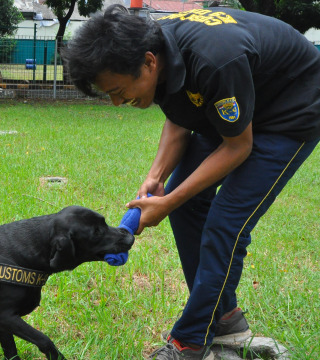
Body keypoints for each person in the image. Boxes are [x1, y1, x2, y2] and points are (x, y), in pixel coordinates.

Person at [62, 5, 320, 360]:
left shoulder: (214, 59)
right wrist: (156, 178)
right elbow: (181, 116)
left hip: (290, 112)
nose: (117, 102)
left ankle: (190, 343)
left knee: (225, 224)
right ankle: (226, 320)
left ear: (149, 63)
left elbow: (238, 146)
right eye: (109, 94)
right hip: (244, 104)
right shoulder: (155, 45)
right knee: (186, 204)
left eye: (119, 91)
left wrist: (168, 201)